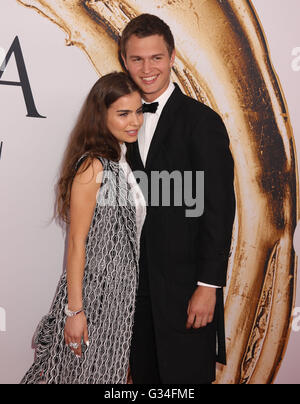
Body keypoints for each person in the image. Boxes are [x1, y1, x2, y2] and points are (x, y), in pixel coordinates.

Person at [120, 14, 236, 384]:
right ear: (124, 61)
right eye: (137, 59)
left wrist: (208, 287)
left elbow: (218, 210)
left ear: (172, 58)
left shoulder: (202, 122)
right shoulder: (120, 121)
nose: (147, 68)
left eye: (156, 58)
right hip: (137, 295)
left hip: (187, 292)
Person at [20, 72, 146, 384]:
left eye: (139, 111)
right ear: (100, 116)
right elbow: (77, 243)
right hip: (94, 300)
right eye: (123, 113)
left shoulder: (124, 161)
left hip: (121, 301)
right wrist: (74, 312)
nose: (135, 121)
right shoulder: (94, 166)